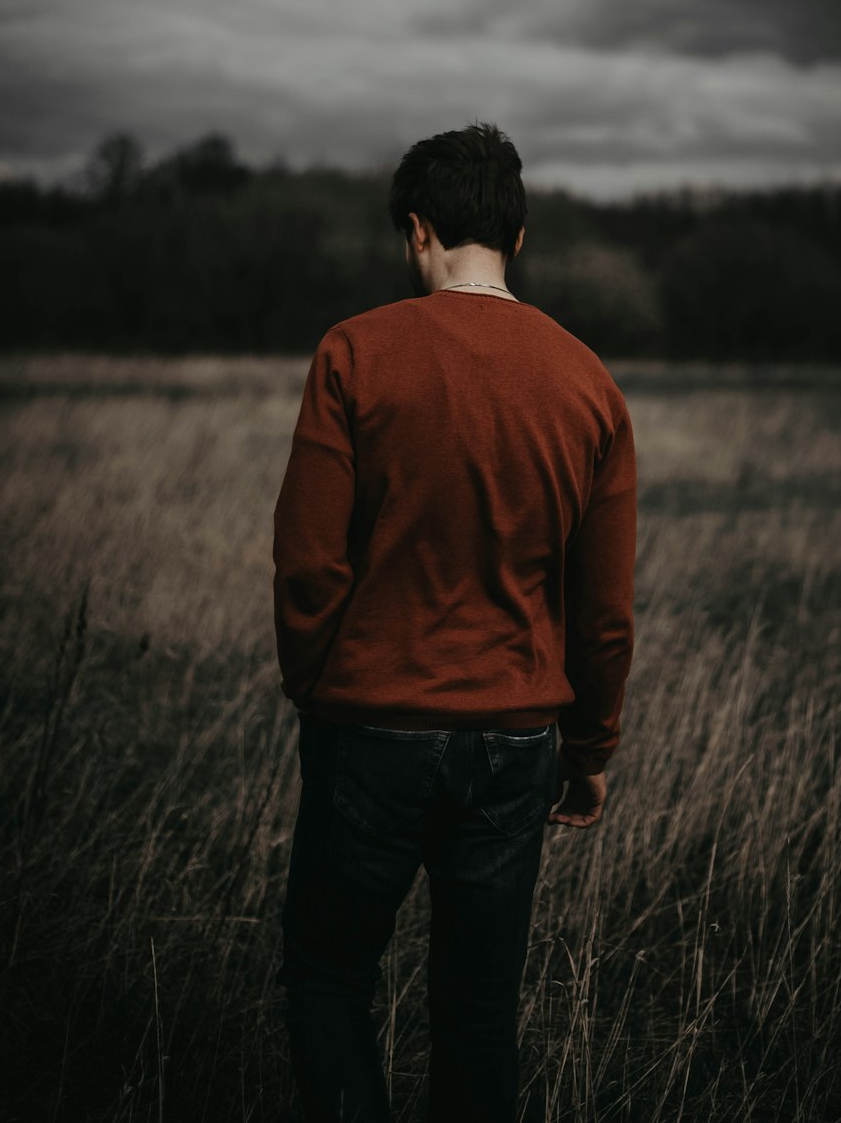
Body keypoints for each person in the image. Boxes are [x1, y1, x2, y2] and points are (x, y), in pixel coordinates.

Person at [272, 122, 638, 1122]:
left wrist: (318, 689)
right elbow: (602, 611)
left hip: (369, 731)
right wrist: (590, 745)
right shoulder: (588, 385)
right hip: (516, 742)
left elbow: (309, 564)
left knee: (325, 977)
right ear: (516, 239)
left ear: (416, 230)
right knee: (477, 1012)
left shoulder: (354, 353)